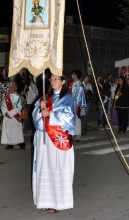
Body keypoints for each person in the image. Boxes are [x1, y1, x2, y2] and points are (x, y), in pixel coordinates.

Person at [32, 74, 76, 213]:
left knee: (57, 167)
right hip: (43, 137)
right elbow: (34, 116)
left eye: (56, 79)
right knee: (44, 167)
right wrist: (40, 110)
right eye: (51, 79)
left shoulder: (68, 98)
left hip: (58, 139)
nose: (52, 81)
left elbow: (70, 118)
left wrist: (50, 113)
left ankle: (58, 202)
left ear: (63, 81)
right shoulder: (44, 98)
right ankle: (45, 200)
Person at [0, 82, 25, 149]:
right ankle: (10, 144)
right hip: (7, 116)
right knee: (8, 130)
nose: (9, 89)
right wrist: (5, 113)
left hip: (15, 116)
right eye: (9, 87)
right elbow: (3, 106)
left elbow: (19, 107)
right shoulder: (6, 96)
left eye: (11, 87)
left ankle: (21, 143)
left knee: (17, 130)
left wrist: (10, 113)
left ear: (15, 88)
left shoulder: (18, 96)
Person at [68, 70, 86, 142]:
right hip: (70, 104)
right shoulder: (71, 83)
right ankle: (72, 135)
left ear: (75, 75)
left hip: (76, 104)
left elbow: (79, 96)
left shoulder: (79, 84)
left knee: (77, 120)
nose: (71, 75)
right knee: (71, 120)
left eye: (72, 74)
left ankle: (77, 136)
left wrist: (77, 105)